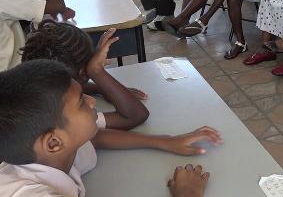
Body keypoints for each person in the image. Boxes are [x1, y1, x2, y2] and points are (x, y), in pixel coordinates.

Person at [0, 60, 221, 196]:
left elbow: (95, 139)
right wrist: (188, 193)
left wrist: (165, 140)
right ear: (54, 143)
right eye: (81, 102)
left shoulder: (52, 154)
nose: (92, 101)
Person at [22, 21, 149, 130]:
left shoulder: (34, 89)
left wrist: (100, 88)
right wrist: (96, 72)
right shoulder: (67, 120)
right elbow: (135, 115)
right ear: (83, 74)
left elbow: (70, 84)